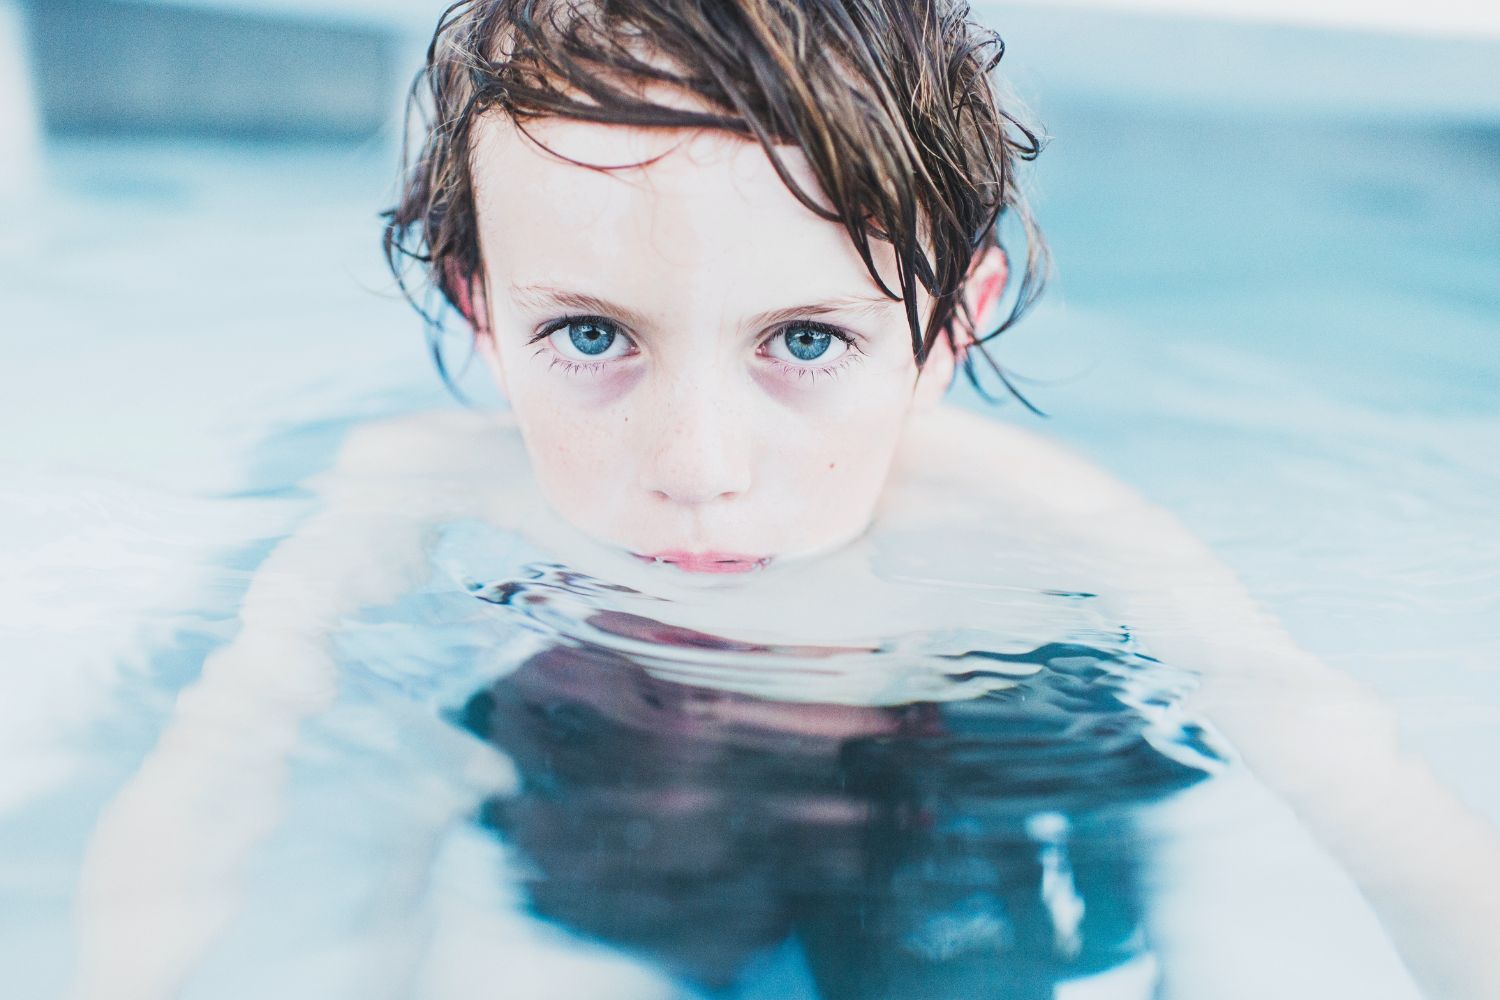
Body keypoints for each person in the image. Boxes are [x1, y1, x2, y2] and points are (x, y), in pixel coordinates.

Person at [70, 2, 1500, 998]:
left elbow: (1344, 767)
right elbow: (229, 762)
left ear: (952, 327)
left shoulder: (1037, 524)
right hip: (620, 789)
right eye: (590, 335)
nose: (698, 462)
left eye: (805, 341)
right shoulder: (412, 485)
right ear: (481, 309)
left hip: (966, 780)